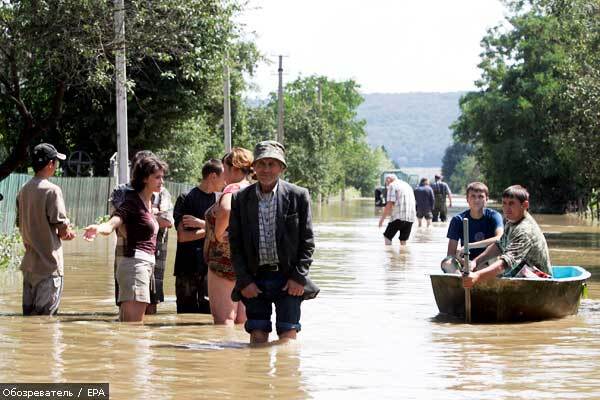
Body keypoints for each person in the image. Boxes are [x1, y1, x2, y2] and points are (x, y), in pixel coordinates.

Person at [229, 140, 317, 344]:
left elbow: (308, 242)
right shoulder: (240, 199)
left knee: (288, 338)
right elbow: (235, 244)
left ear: (281, 168)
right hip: (254, 278)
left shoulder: (299, 196)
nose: (266, 169)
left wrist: (298, 277)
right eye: (262, 164)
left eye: (272, 164)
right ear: (254, 167)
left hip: (289, 279)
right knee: (257, 337)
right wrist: (244, 281)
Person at [84, 155, 168, 322]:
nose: (162, 181)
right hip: (135, 265)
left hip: (143, 264)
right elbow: (113, 222)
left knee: (131, 330)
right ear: (145, 178)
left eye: (162, 177)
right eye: (157, 177)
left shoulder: (149, 203)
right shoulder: (132, 203)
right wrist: (99, 228)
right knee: (133, 329)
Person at [109, 150, 173, 315]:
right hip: (129, 253)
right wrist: (148, 217)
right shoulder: (121, 191)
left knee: (151, 302)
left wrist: (144, 217)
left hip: (155, 253)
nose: (161, 180)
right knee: (129, 302)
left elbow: (168, 220)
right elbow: (119, 222)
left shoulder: (162, 191)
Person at [16, 143, 76, 315]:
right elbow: (62, 228)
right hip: (49, 267)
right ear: (50, 164)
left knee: (29, 320)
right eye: (56, 162)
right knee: (45, 322)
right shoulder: (52, 190)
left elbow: (21, 224)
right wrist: (67, 233)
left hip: (29, 267)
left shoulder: (23, 190)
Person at [463, 185, 552, 288]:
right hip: (524, 272)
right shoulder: (511, 222)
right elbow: (499, 246)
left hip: (541, 280)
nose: (506, 208)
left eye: (511, 203)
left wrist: (477, 276)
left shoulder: (524, 230)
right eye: (504, 203)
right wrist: (475, 262)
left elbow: (506, 263)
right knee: (490, 264)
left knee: (499, 268)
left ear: (525, 205)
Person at [204, 148, 254, 325]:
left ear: (235, 168)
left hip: (224, 260)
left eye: (224, 167)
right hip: (247, 260)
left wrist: (217, 234)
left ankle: (225, 353)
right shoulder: (254, 189)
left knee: (224, 319)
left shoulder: (233, 187)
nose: (222, 172)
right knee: (243, 320)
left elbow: (226, 209)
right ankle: (245, 353)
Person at [173, 159, 225, 314]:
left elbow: (226, 233)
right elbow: (183, 236)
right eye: (223, 176)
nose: (226, 181)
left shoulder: (221, 201)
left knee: (210, 317)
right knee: (185, 315)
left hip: (211, 267)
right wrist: (212, 229)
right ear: (213, 176)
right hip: (186, 267)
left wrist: (201, 224)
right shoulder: (186, 198)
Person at [441, 182, 503, 273]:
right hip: (465, 263)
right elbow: (450, 253)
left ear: (487, 199)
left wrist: (469, 246)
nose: (476, 200)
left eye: (480, 196)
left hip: (487, 262)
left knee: (496, 259)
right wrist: (463, 262)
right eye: (473, 196)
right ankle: (461, 280)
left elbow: (499, 238)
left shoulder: (494, 216)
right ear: (467, 199)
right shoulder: (457, 220)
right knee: (447, 263)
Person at [378, 174, 417, 246]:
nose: (387, 185)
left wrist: (381, 220)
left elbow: (389, 204)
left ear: (389, 179)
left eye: (386, 183)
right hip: (410, 217)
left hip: (399, 216)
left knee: (387, 237)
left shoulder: (392, 185)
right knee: (403, 241)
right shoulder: (407, 185)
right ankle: (403, 256)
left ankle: (389, 256)